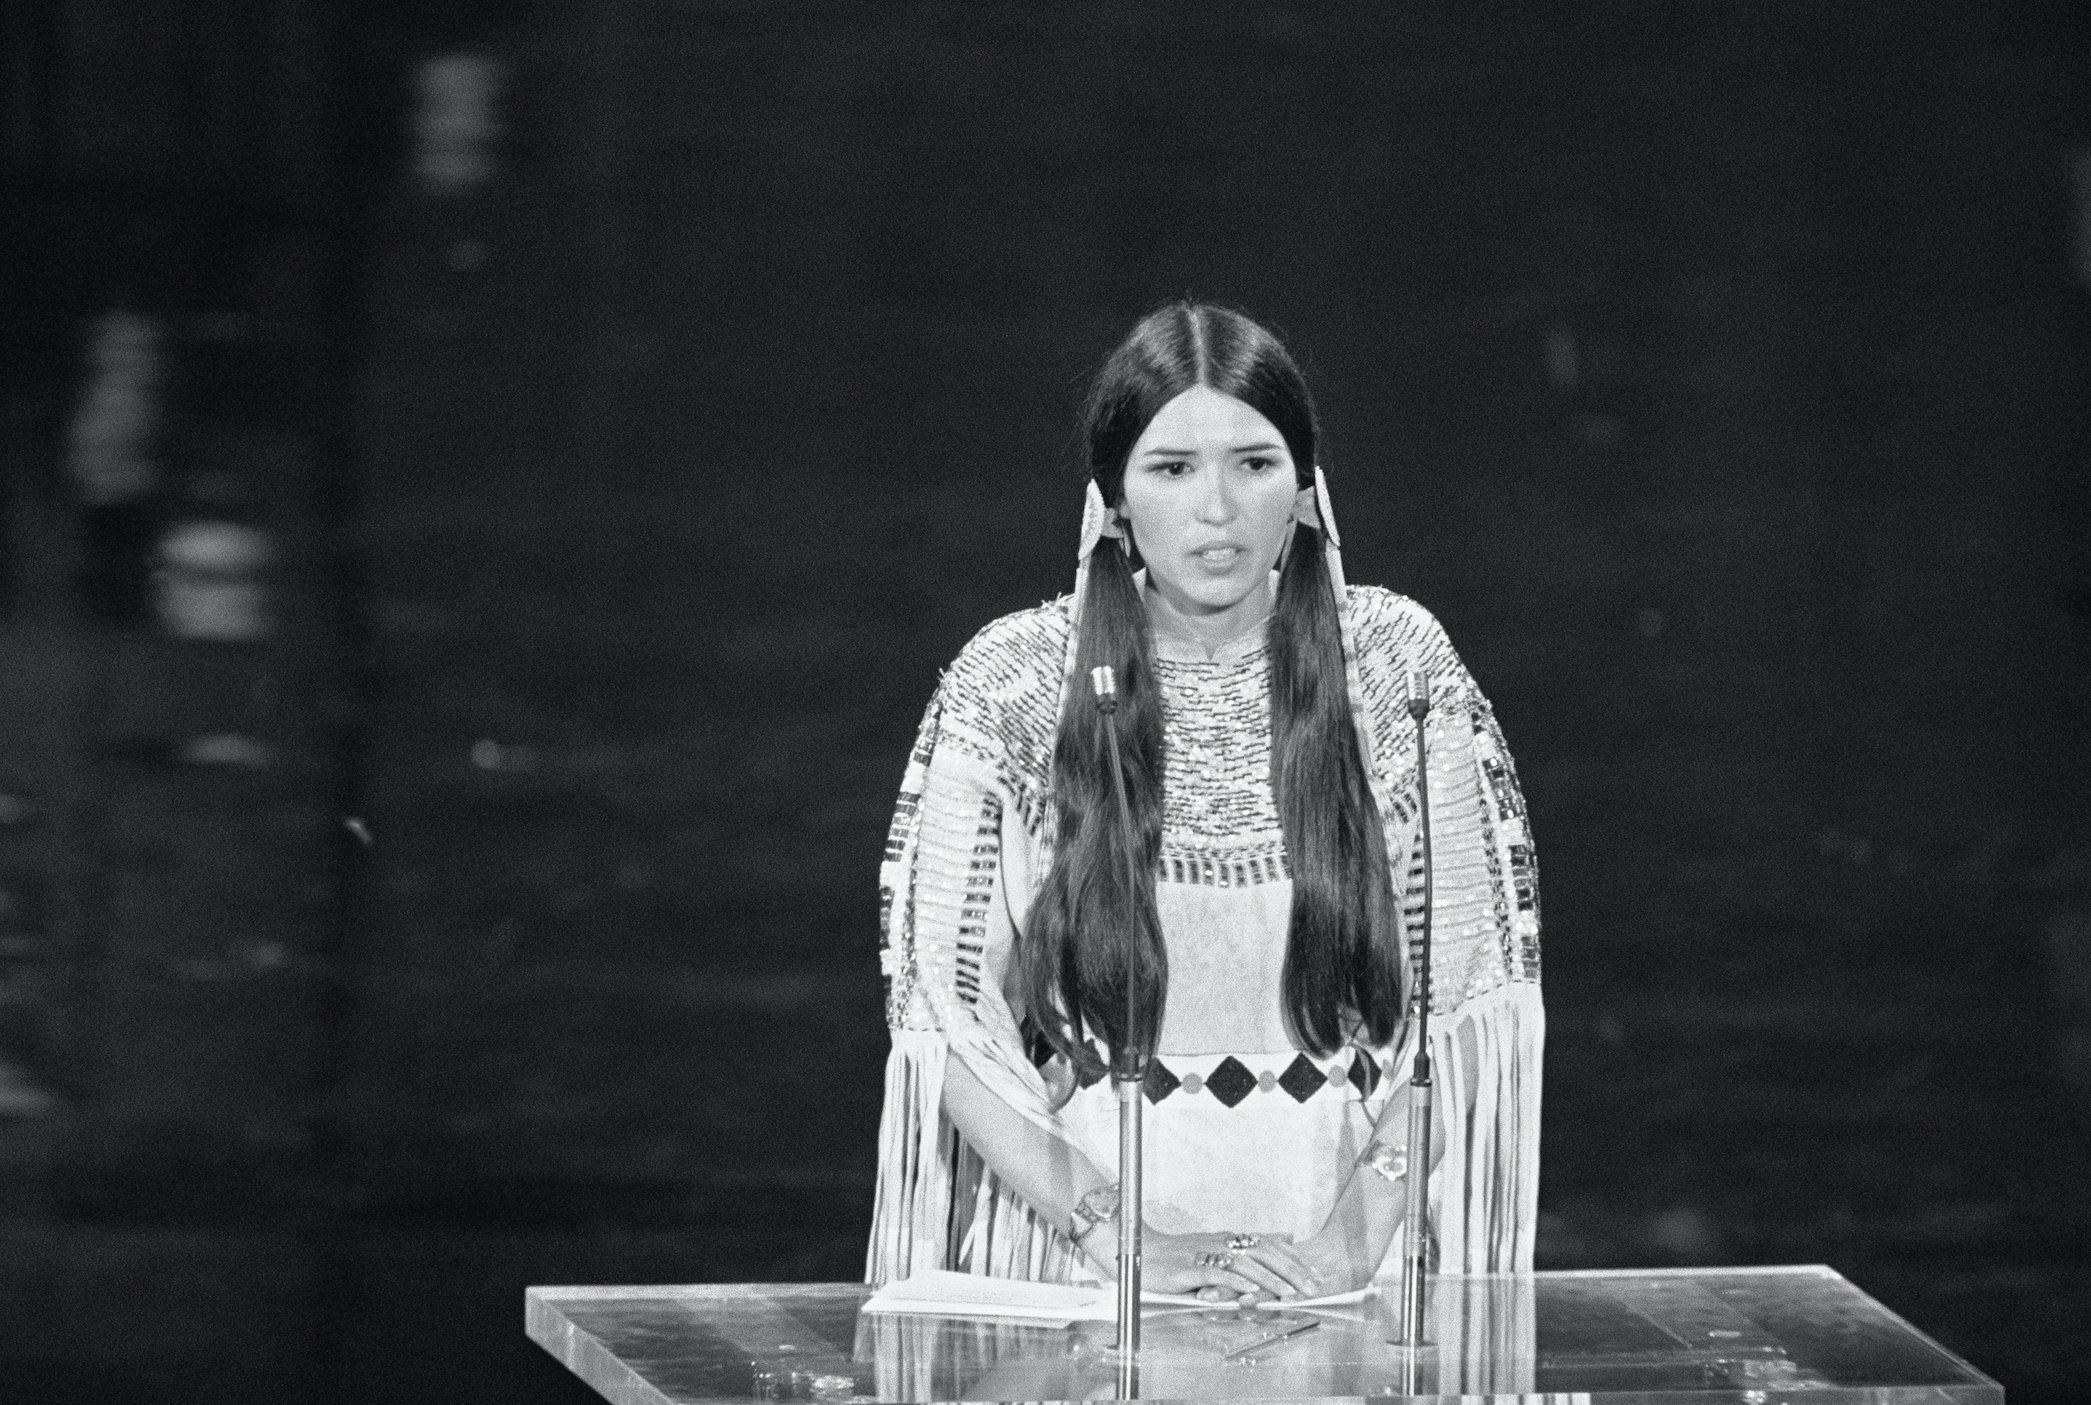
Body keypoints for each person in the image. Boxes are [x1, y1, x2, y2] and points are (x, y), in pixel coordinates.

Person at [866, 303, 1542, 1304]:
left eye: (1255, 464)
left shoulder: (1399, 669)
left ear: (1308, 492)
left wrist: (1347, 1247)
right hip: (1081, 1275)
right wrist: (1113, 1233)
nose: (1217, 509)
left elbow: (1474, 995)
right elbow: (940, 1006)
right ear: (1113, 498)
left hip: (1344, 1274)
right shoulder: (1009, 684)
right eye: (1173, 467)